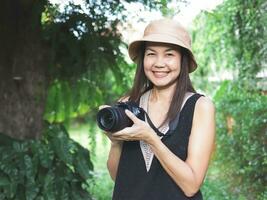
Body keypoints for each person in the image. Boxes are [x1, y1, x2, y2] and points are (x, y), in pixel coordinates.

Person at [100, 18, 215, 200]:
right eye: (151, 54)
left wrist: (151, 139)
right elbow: (118, 177)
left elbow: (191, 186)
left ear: (183, 60)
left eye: (169, 55)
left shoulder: (200, 107)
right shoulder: (128, 104)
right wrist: (115, 142)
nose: (159, 63)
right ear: (143, 58)